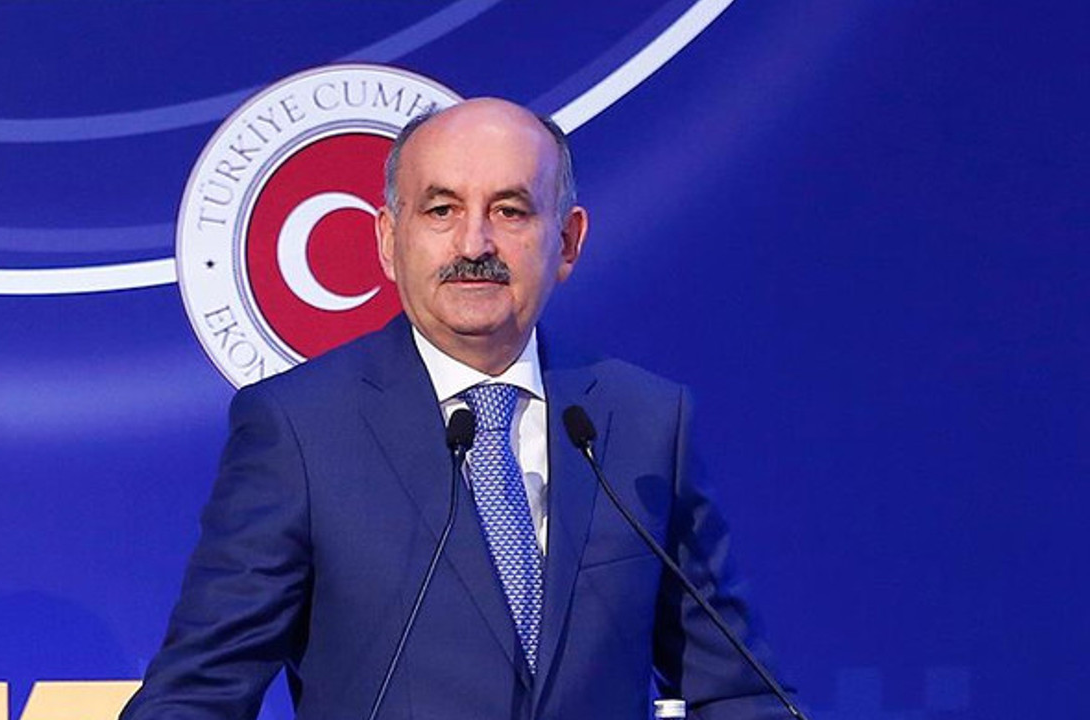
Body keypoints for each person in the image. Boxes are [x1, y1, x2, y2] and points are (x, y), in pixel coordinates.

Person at [121, 98, 793, 719]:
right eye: (441, 210)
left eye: (511, 211)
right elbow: (197, 695)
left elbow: (736, 692)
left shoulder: (644, 422)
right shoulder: (300, 429)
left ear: (567, 241)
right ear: (389, 239)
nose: (474, 246)